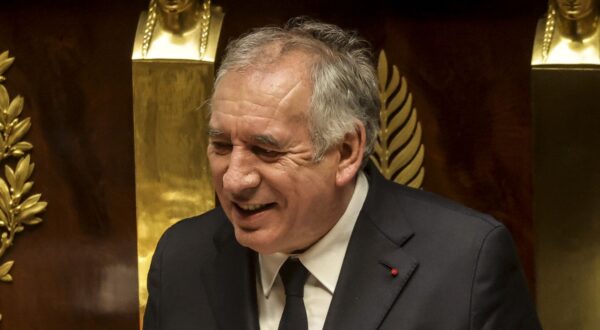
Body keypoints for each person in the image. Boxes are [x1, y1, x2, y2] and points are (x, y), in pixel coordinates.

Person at [143, 17, 541, 329]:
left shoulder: (466, 263)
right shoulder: (183, 258)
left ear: (347, 151)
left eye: (266, 150)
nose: (234, 179)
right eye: (222, 146)